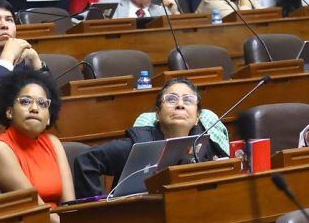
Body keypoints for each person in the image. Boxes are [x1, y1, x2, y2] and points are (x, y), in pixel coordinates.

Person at [73, 77, 227, 197]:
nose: (180, 105)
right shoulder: (138, 144)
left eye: (188, 100)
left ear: (197, 117)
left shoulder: (204, 145)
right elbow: (86, 161)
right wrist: (97, 215)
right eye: (171, 99)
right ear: (158, 113)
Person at [0, 66, 74, 223]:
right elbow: (37, 210)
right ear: (9, 111)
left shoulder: (53, 143)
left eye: (42, 104)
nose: (35, 108)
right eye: (25, 101)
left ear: (49, 117)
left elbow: (69, 207)